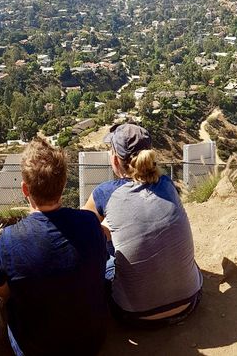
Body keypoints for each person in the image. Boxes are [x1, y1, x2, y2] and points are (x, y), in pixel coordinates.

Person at [0, 137, 109, 356]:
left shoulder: (10, 238)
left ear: (25, 189)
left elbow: (2, 292)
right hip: (91, 343)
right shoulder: (90, 223)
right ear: (63, 184)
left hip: (34, 349)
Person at [83, 123, 203, 326]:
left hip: (133, 316)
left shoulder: (105, 193)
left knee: (105, 247)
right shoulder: (167, 184)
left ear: (114, 160)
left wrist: (105, 232)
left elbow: (80, 228)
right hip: (190, 302)